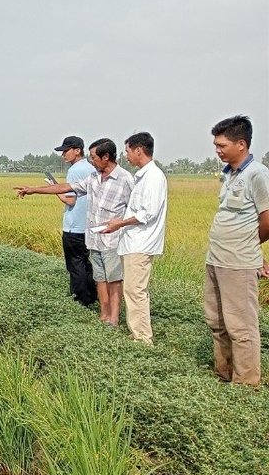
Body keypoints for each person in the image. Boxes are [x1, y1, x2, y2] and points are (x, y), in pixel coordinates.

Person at [15, 138, 133, 326]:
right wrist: (33, 190)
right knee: (99, 278)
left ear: (106, 157)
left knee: (114, 279)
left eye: (93, 157)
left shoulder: (126, 179)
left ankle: (114, 317)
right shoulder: (93, 177)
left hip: (113, 239)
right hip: (94, 238)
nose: (91, 161)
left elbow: (135, 210)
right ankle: (104, 315)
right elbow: (66, 188)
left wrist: (121, 225)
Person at [203, 115, 269, 386]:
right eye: (216, 145)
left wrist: (251, 247)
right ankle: (224, 374)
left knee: (241, 327)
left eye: (222, 145)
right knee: (217, 321)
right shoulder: (229, 173)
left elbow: (267, 219)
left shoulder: (258, 175)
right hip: (216, 259)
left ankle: (246, 385)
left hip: (238, 263)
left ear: (241, 144)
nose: (217, 150)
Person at [100, 132, 167, 344]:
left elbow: (148, 212)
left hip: (141, 244)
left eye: (128, 151)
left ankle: (143, 338)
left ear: (139, 150)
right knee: (133, 290)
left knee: (136, 291)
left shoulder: (153, 177)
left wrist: (119, 223)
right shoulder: (143, 176)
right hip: (134, 243)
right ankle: (137, 332)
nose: (126, 156)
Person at [53, 135, 98, 308]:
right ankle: (92, 296)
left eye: (66, 151)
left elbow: (70, 200)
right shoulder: (91, 168)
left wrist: (55, 189)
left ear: (77, 150)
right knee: (86, 263)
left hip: (74, 228)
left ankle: (80, 302)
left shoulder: (74, 171)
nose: (63, 154)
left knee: (75, 265)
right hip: (88, 226)